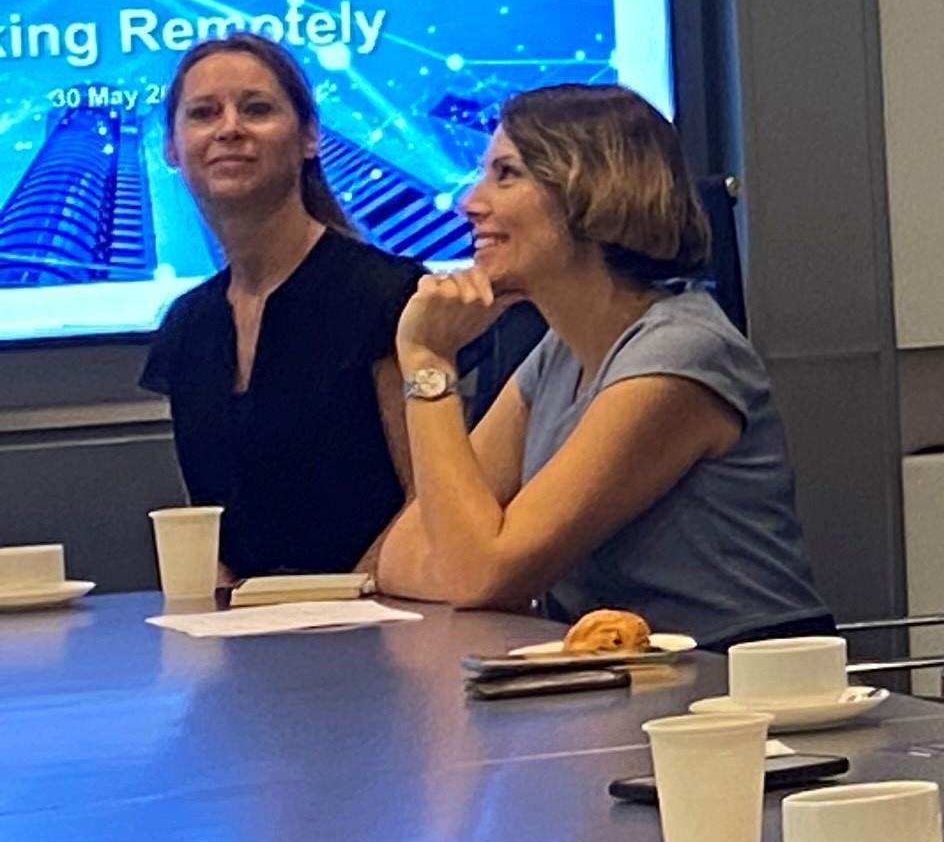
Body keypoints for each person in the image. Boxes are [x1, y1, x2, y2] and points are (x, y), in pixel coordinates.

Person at [373, 83, 828, 645]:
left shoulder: (681, 356)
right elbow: (403, 555)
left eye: (506, 174)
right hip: (623, 673)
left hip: (733, 677)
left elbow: (479, 574)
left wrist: (429, 364)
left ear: (591, 191)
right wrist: (473, 567)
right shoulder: (559, 352)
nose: (470, 202)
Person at [136, 33, 419, 585]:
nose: (229, 128)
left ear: (310, 137)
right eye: (203, 113)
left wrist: (338, 606)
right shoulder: (187, 327)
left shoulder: (388, 296)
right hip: (243, 627)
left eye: (256, 109)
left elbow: (428, 499)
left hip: (384, 615)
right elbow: (215, 530)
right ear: (172, 148)